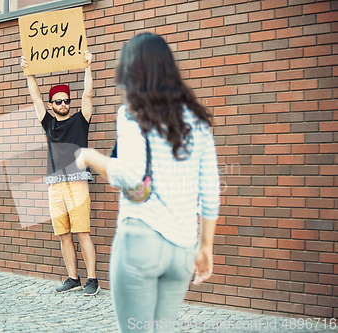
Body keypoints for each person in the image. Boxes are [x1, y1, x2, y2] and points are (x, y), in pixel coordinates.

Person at [76, 33, 220, 332]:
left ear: (130, 71)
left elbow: (130, 174)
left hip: (141, 240)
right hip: (183, 247)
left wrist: (90, 156)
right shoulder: (197, 121)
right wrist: (205, 247)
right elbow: (210, 189)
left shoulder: (132, 112)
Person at [20, 50, 99, 296]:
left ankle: (92, 280)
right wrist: (28, 72)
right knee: (63, 233)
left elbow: (88, 93)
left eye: (66, 100)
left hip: (77, 183)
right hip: (55, 185)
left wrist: (88, 66)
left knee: (81, 232)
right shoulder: (48, 123)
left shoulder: (80, 120)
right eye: (59, 101)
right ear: (52, 105)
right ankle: (72, 278)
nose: (64, 104)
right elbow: (35, 97)